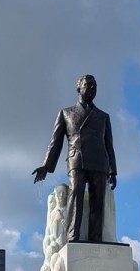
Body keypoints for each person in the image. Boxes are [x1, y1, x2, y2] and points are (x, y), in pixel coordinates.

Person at [33, 74, 117, 243]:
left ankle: (96, 239)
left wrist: (112, 170)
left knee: (97, 203)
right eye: (88, 85)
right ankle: (73, 237)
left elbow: (109, 145)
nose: (92, 88)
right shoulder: (66, 113)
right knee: (75, 196)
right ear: (79, 88)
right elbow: (55, 142)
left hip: (99, 162)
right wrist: (46, 165)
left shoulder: (103, 116)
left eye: (95, 85)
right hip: (76, 160)